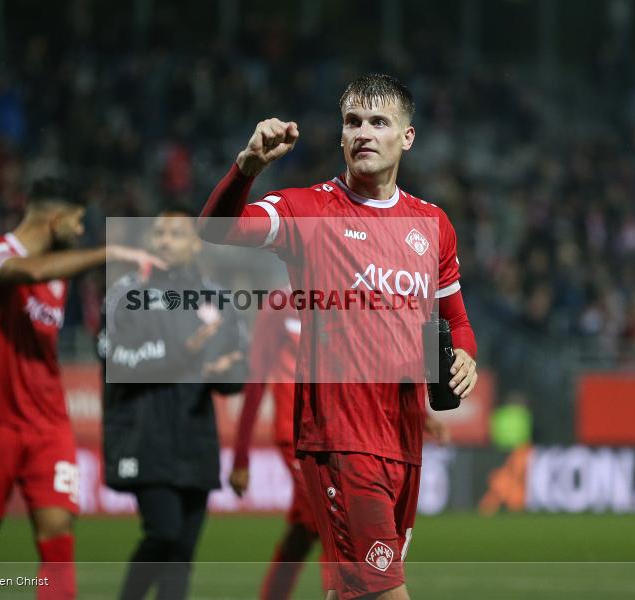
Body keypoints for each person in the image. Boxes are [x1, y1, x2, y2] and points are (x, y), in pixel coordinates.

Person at [198, 73, 478, 599]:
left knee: (351, 592)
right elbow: (215, 229)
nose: (363, 133)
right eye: (353, 122)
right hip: (340, 438)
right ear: (341, 135)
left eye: (379, 122)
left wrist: (463, 356)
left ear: (407, 137)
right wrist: (247, 167)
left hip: (403, 441)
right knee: (386, 591)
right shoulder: (307, 210)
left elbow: (454, 321)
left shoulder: (432, 224)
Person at [0, 177, 164, 600]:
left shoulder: (60, 280)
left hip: (48, 424)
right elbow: (28, 270)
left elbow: (47, 274)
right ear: (56, 218)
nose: (80, 230)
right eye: (78, 221)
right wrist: (110, 252)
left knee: (58, 534)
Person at [230, 289, 452, 600]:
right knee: (335, 525)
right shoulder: (280, 307)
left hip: (342, 426)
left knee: (304, 531)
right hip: (300, 434)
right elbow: (256, 380)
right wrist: (241, 458)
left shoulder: (344, 298)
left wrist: (420, 415)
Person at [99, 207, 246, 600]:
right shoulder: (126, 292)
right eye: (159, 233)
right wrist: (182, 352)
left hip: (196, 437)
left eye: (176, 234)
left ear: (196, 243)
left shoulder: (217, 298)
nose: (165, 241)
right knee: (163, 532)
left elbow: (236, 371)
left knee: (182, 552)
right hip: (144, 434)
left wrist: (224, 372)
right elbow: (114, 362)